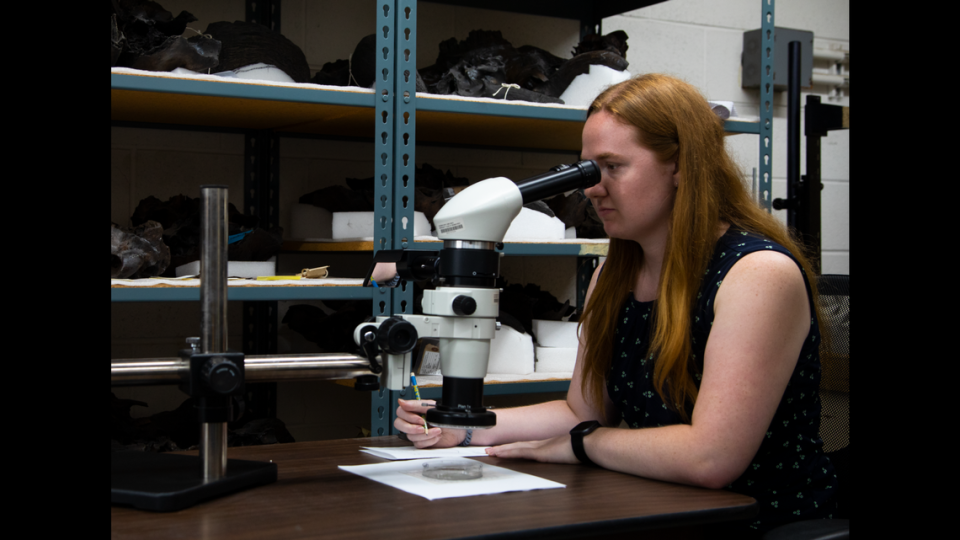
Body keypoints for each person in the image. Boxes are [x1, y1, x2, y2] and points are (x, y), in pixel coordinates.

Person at [391, 73, 839, 537]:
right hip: (657, 504)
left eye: (612, 167)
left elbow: (712, 458)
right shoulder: (615, 272)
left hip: (758, 519)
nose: (591, 187)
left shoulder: (757, 274)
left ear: (681, 165)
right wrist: (463, 428)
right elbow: (582, 412)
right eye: (586, 168)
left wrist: (584, 444)